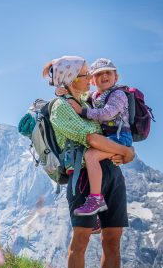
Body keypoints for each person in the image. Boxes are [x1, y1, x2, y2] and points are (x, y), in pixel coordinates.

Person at [41, 55, 134, 268]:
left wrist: (121, 153)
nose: (89, 79)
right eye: (83, 75)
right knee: (81, 239)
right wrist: (127, 152)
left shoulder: (86, 102)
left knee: (113, 239)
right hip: (83, 176)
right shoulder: (60, 108)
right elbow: (90, 137)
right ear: (69, 80)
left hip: (111, 174)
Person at [57, 58, 132, 235]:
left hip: (120, 138)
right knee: (92, 156)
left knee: (91, 156)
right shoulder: (95, 96)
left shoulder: (118, 95)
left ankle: (96, 199)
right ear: (92, 79)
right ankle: (97, 200)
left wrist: (82, 111)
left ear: (116, 76)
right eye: (98, 74)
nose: (104, 76)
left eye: (108, 72)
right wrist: (62, 91)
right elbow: (77, 97)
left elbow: (107, 114)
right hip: (112, 140)